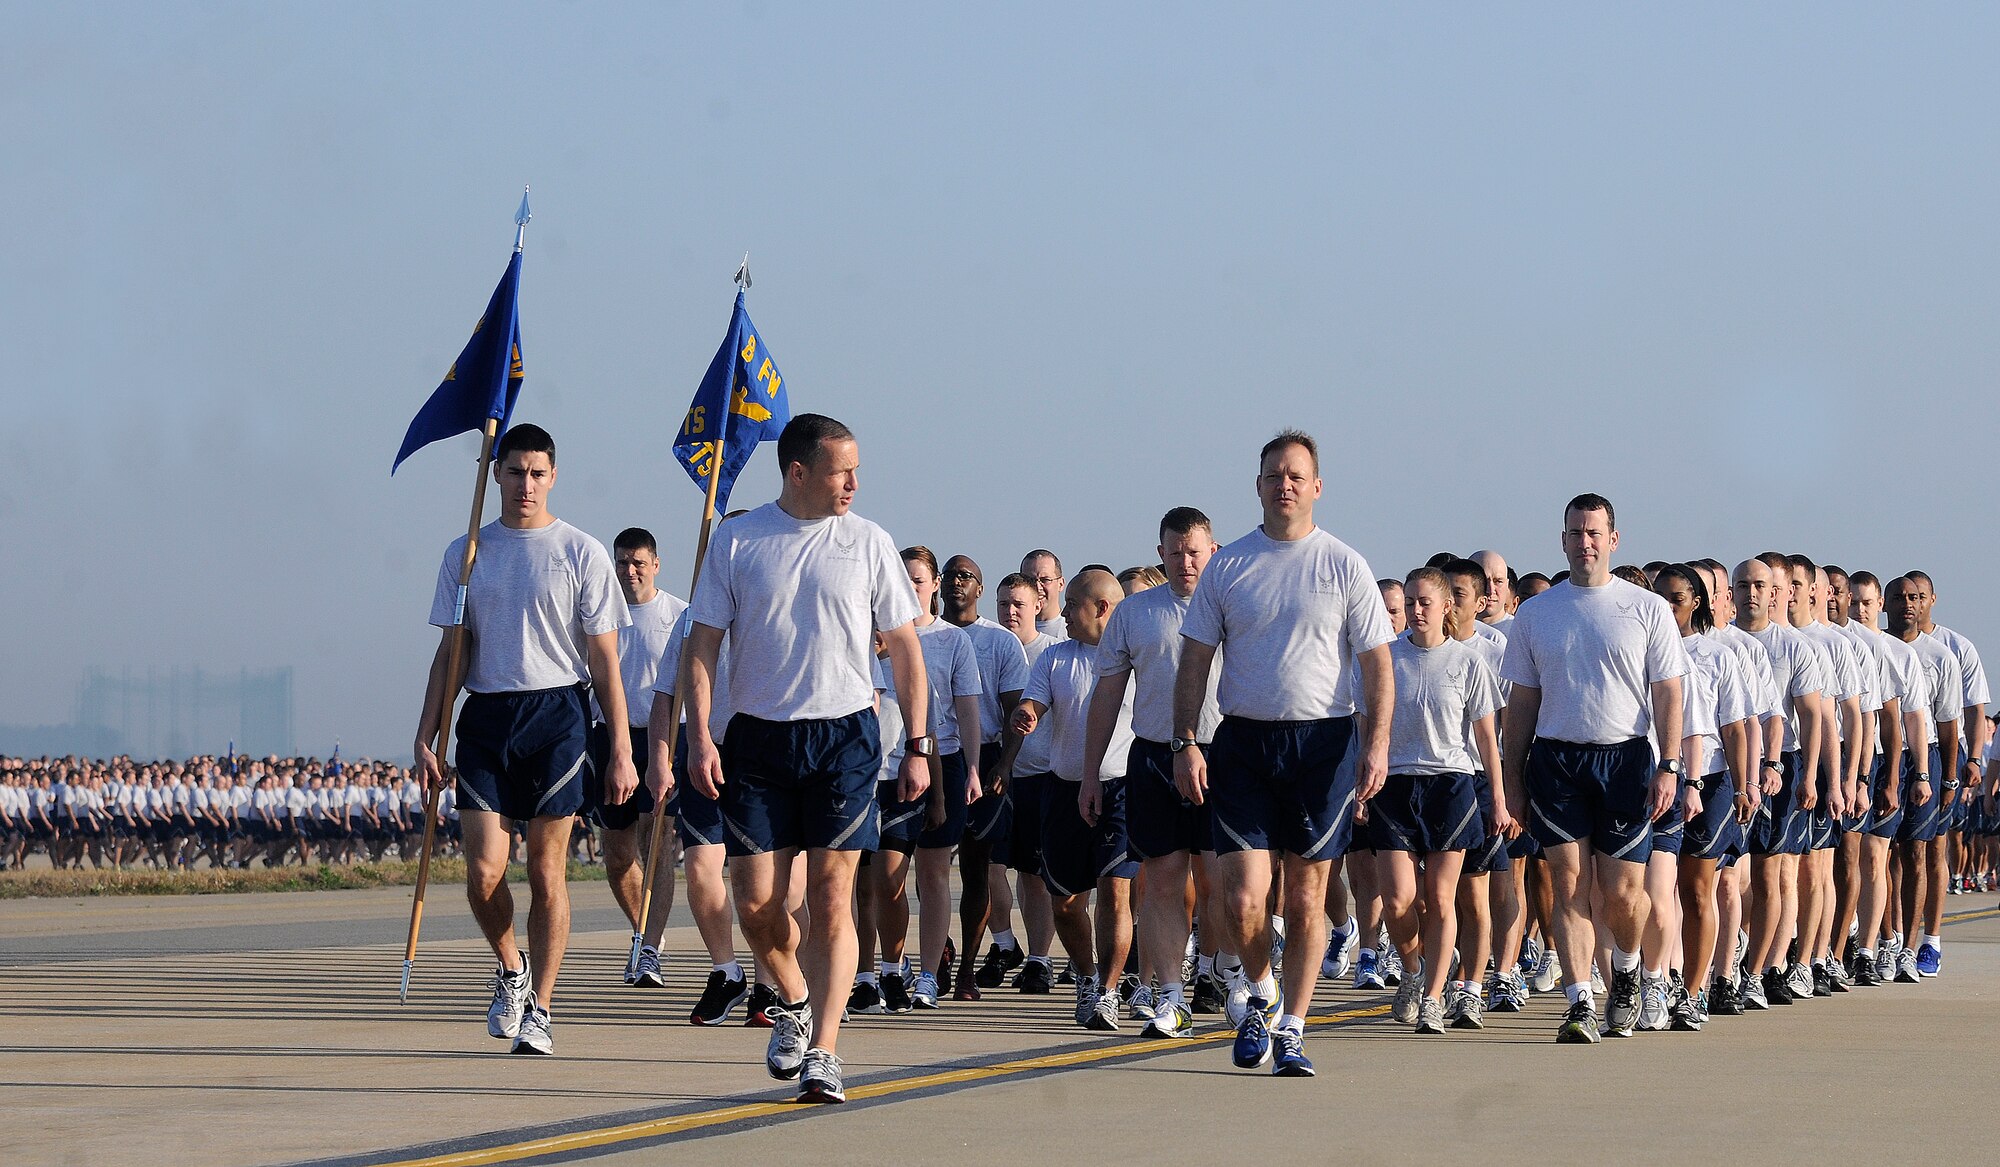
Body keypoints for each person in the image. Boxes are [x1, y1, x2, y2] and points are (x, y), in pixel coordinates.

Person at [680, 413, 929, 1105]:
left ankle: (824, 1048)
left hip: (844, 737)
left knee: (830, 894)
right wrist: (699, 737)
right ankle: (792, 994)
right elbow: (702, 646)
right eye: (841, 471)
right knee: (756, 904)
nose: (853, 483)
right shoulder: (738, 539)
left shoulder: (868, 541)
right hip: (758, 741)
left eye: (856, 471)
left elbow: (905, 649)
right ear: (797, 472)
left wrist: (917, 744)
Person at [1173, 430, 1395, 1077]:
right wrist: (1185, 740)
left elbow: (1378, 666)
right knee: (1243, 898)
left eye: (1296, 475)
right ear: (1259, 486)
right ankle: (1261, 988)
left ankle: (1293, 1027)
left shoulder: (1344, 565)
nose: (1285, 485)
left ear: (1316, 486)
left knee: (1305, 894)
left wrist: (1377, 744)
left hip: (1323, 745)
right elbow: (1195, 661)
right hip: (1243, 742)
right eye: (1274, 475)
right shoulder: (1228, 566)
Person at [413, 423, 635, 1057]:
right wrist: (426, 734)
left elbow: (605, 661)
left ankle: (542, 1005)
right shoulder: (467, 552)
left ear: (553, 477)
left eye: (537, 474)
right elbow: (452, 651)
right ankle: (511, 968)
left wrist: (621, 749)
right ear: (496, 475)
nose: (526, 485)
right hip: (486, 715)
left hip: (558, 714)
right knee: (484, 872)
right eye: (515, 472)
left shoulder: (581, 552)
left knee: (545, 869)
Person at [1498, 494, 1688, 1043]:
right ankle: (1580, 1000)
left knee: (1624, 893)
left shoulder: (1645, 608)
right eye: (1576, 533)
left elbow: (1668, 692)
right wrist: (1511, 778)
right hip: (1556, 761)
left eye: (1594, 532)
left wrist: (1670, 764)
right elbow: (1522, 702)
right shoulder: (1537, 613)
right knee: (1569, 884)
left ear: (1613, 540)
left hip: (1624, 760)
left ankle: (1626, 971)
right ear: (1563, 540)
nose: (1585, 542)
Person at [1086, 508, 1223, 1040]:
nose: (1186, 562)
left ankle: (1226, 972)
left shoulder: (1233, 604)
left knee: (1223, 882)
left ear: (1213, 551)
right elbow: (1107, 695)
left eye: (1195, 552)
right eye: (1176, 552)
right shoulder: (1135, 612)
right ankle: (1170, 994)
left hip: (1221, 754)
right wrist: (1092, 773)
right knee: (1162, 882)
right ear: (1160, 553)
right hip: (1153, 756)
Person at [1366, 567, 1508, 1034]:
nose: (1416, 610)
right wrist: (1359, 783)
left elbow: (1487, 739)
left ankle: (1432, 997)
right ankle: (1412, 970)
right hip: (1394, 784)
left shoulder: (1468, 662)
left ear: (1446, 606)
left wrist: (1499, 800)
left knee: (1442, 897)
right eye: (1409, 602)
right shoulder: (1386, 658)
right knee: (1397, 900)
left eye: (1425, 602)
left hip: (1450, 785)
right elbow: (1364, 724)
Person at [1010, 568, 1138, 1033]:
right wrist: (1026, 714)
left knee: (1115, 891)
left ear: (1101, 608)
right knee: (1064, 902)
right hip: (1064, 789)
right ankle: (1085, 975)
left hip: (1120, 789)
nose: (1061, 612)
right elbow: (1034, 702)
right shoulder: (1055, 657)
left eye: (1071, 605)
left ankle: (1107, 991)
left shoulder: (1133, 659)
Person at [866, 547, 983, 1010]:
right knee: (880, 878)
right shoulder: (876, 635)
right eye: (902, 579)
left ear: (934, 585)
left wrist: (972, 768)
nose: (909, 588)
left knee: (933, 874)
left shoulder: (951, 641)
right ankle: (878, 970)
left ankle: (930, 975)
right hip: (881, 768)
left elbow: (967, 710)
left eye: (917, 580)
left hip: (941, 761)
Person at [1652, 564, 1753, 1031]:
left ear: (1696, 602)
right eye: (1660, 598)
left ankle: (1694, 992)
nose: (1667, 607)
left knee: (1696, 889)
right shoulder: (1645, 649)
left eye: (1676, 598)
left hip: (1709, 780)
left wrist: (1745, 784)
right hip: (1656, 778)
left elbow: (1735, 727)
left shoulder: (1717, 654)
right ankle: (1662, 977)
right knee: (1657, 889)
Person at [591, 528, 688, 989]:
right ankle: (644, 930)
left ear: (656, 565)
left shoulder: (679, 615)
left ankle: (648, 949)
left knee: (658, 842)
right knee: (617, 855)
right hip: (610, 738)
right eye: (622, 563)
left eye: (639, 563)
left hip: (661, 738)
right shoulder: (599, 613)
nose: (630, 571)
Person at [939, 554, 1031, 1000]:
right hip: (933, 756)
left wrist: (1005, 764)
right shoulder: (921, 634)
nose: (957, 582)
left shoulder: (1000, 643)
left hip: (986, 758)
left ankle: (967, 971)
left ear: (980, 588)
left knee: (977, 869)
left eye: (967, 576)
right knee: (927, 867)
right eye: (950, 575)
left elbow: (1017, 712)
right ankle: (936, 953)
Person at [991, 571, 1064, 995]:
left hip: (1046, 775)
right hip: (1004, 777)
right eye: (1003, 604)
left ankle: (1043, 958)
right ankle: (1020, 950)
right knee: (1017, 870)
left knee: (1045, 872)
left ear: (1038, 605)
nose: (1011, 612)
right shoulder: (990, 646)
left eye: (1018, 604)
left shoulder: (1052, 653)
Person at [1022, 550, 1068, 640]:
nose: (1037, 587)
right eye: (1030, 580)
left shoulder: (1073, 634)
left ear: (1061, 584)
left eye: (1045, 580)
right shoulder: (1010, 634)